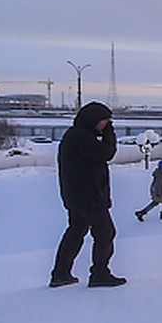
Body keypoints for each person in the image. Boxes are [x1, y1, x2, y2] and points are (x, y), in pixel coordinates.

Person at [50, 101, 126, 288]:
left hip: (77, 196)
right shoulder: (81, 138)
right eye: (104, 121)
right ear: (94, 120)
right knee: (105, 233)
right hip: (90, 197)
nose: (106, 125)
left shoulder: (76, 136)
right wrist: (110, 135)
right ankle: (100, 273)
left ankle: (61, 274)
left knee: (76, 231)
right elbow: (107, 153)